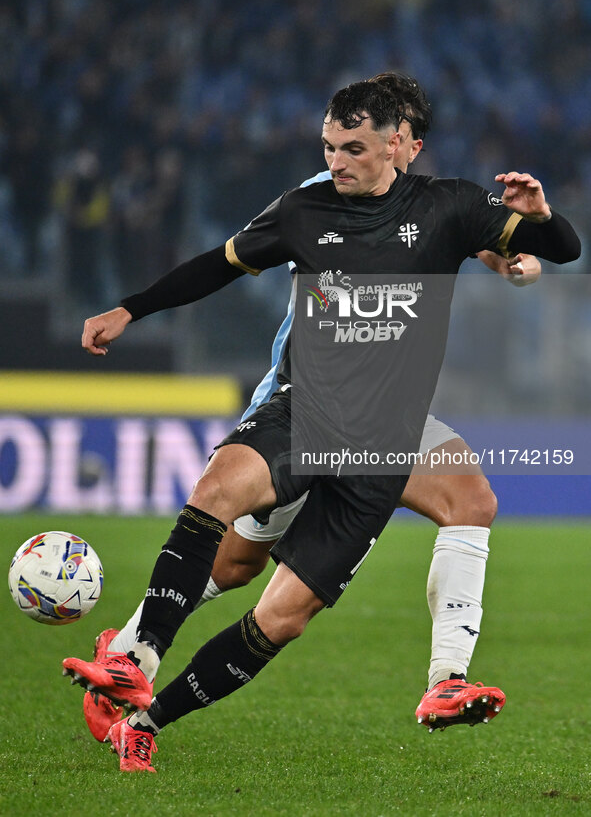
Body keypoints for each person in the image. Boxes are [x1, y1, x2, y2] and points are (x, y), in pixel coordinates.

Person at [64, 79, 579, 772]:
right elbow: (218, 266)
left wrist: (530, 237)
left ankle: (444, 680)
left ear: (402, 145)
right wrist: (131, 309)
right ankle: (132, 653)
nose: (338, 159)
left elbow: (517, 247)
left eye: (352, 147)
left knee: (304, 603)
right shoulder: (309, 205)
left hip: (390, 430)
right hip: (305, 404)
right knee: (234, 543)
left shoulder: (443, 203)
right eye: (330, 146)